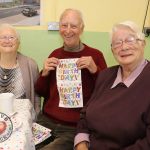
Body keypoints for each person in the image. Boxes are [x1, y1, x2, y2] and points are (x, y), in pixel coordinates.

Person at [35, 8, 107, 150]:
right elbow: (41, 91)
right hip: (46, 121)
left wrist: (95, 70)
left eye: (73, 26)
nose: (68, 31)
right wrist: (44, 74)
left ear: (82, 29)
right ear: (59, 28)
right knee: (22, 144)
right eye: (64, 25)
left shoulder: (95, 55)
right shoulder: (55, 54)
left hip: (73, 127)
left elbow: (107, 92)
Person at [74, 20, 150, 150]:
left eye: (130, 40)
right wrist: (81, 144)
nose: (124, 47)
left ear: (143, 43)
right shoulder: (105, 75)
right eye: (117, 43)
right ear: (112, 49)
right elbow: (85, 115)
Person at [0, 23, 40, 116]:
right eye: (3, 37)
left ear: (18, 43)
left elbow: (36, 96)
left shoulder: (30, 64)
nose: (7, 41)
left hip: (22, 122)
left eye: (11, 37)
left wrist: (35, 117)